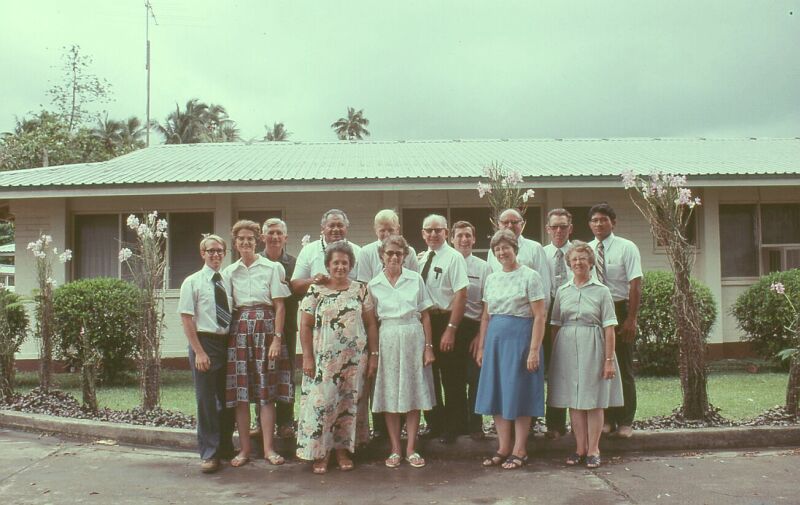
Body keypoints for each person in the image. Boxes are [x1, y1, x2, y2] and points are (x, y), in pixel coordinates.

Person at [296, 241, 379, 474]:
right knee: (323, 404)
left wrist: (373, 355)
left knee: (348, 404)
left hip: (354, 361)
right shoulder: (316, 290)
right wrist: (307, 358)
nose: (340, 267)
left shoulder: (361, 289)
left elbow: (371, 324)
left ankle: (343, 451)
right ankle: (321, 454)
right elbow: (304, 325)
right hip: (323, 361)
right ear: (328, 265)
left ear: (351, 265)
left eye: (345, 262)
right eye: (336, 263)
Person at [475, 230, 546, 470]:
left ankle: (520, 449)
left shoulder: (530, 276)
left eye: (506, 247)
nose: (502, 252)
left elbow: (539, 316)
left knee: (519, 392)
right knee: (498, 393)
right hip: (495, 341)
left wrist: (534, 350)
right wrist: (482, 346)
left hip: (521, 341)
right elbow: (486, 316)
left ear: (515, 249)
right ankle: (503, 447)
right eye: (497, 249)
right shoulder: (492, 278)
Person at [223, 220, 292, 468]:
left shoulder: (272, 268)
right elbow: (227, 308)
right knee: (241, 394)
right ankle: (244, 450)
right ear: (235, 242)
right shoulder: (229, 272)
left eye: (250, 238)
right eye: (241, 238)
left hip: (266, 328)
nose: (245, 242)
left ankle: (268, 449)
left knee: (266, 394)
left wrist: (277, 338)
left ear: (257, 240)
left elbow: (280, 305)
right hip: (240, 331)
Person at [548, 241, 623, 469]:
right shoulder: (562, 291)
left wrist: (608, 360)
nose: (578, 263)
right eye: (574, 259)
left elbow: (609, 327)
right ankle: (580, 448)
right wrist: (555, 357)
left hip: (594, 345)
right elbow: (555, 324)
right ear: (569, 264)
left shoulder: (602, 291)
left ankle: (594, 449)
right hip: (567, 347)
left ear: (590, 262)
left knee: (593, 400)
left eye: (582, 258)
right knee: (575, 401)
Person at [367, 235, 436, 468]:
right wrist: (374, 354)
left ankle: (411, 448)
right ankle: (395, 449)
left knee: (413, 393)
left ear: (404, 256)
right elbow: (372, 324)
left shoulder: (415, 279)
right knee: (390, 394)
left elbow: (425, 315)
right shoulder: (374, 284)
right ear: (382, 256)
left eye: (399, 253)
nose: (394, 257)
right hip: (387, 338)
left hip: (413, 336)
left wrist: (428, 348)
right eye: (390, 253)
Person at [356, 209, 418, 440]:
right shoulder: (365, 252)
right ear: (375, 231)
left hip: (405, 323)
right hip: (377, 321)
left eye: (390, 229)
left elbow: (412, 284)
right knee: (382, 377)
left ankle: (406, 431)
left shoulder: (407, 252)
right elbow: (363, 287)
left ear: (398, 229)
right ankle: (382, 430)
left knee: (405, 377)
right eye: (382, 230)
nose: (386, 233)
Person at [177, 234, 236, 474]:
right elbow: (186, 318)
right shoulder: (192, 282)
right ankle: (209, 454)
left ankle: (224, 448)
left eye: (220, 251)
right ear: (203, 253)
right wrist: (199, 351)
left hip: (227, 343)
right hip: (205, 343)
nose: (215, 255)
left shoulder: (228, 280)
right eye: (210, 250)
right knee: (206, 402)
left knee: (228, 399)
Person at [588, 203, 643, 439]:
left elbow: (635, 284)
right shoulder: (587, 249)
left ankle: (626, 420)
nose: (599, 224)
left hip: (619, 309)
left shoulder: (626, 247)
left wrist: (631, 318)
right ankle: (607, 418)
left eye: (603, 220)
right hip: (595, 311)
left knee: (623, 366)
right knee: (601, 367)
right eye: (594, 220)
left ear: (613, 222)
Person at [417, 214, 469, 443]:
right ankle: (435, 424)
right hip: (427, 323)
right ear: (422, 233)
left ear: (446, 233)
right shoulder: (421, 259)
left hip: (447, 319)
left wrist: (451, 329)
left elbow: (461, 294)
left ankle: (456, 426)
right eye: (428, 230)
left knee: (452, 377)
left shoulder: (454, 258)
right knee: (429, 377)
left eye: (438, 230)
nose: (433, 234)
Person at [261, 218, 302, 440]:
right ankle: (260, 421)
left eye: (279, 233)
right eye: (271, 233)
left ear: (285, 237)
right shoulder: (256, 262)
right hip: (261, 328)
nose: (275, 237)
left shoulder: (294, 264)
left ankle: (286, 421)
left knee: (286, 373)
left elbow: (302, 292)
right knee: (261, 372)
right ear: (263, 236)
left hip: (287, 327)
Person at [450, 220, 491, 440]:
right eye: (460, 235)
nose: (464, 239)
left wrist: (479, 336)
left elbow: (487, 303)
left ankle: (476, 426)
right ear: (452, 239)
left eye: (468, 235)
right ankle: (456, 425)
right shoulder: (446, 262)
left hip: (474, 326)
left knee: (475, 378)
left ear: (474, 239)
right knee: (454, 378)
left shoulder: (483, 267)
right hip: (451, 326)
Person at [542, 209, 574, 440]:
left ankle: (579, 422)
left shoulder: (581, 253)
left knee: (569, 370)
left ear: (570, 228)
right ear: (548, 229)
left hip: (573, 318)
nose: (559, 231)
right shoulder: (540, 254)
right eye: (554, 227)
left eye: (563, 226)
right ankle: (552, 424)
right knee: (547, 369)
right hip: (543, 317)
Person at [486, 208, 552, 309]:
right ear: (498, 224)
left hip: (527, 315)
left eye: (514, 222)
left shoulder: (535, 248)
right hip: (500, 313)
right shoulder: (492, 252)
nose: (510, 225)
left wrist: (542, 318)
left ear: (522, 224)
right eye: (505, 222)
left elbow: (544, 288)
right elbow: (490, 288)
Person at [291, 209, 362, 294]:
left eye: (340, 225)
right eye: (331, 226)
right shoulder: (309, 250)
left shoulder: (358, 252)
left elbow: (363, 284)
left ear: (346, 228)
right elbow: (296, 285)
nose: (336, 229)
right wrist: (315, 280)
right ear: (323, 228)